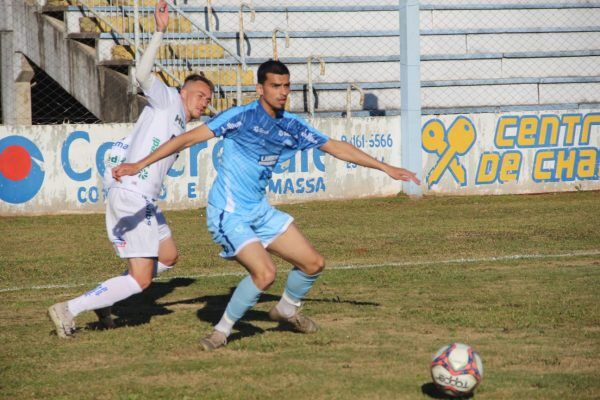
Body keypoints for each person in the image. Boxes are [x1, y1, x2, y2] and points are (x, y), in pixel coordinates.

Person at [112, 59, 421, 350]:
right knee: (265, 274)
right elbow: (186, 140)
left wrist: (387, 168)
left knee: (313, 263)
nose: (283, 92)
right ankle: (221, 331)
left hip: (259, 211)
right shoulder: (240, 117)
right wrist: (140, 163)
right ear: (260, 88)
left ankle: (286, 309)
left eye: (286, 86)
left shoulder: (292, 125)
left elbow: (336, 147)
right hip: (228, 212)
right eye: (275, 86)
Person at [47, 0, 214, 339]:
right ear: (184, 91)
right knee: (141, 279)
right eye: (201, 95)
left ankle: (106, 296)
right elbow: (140, 75)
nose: (204, 102)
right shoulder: (168, 99)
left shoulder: (181, 119)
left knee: (169, 255)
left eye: (208, 100)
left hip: (146, 199)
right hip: (132, 195)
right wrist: (159, 31)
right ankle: (69, 309)